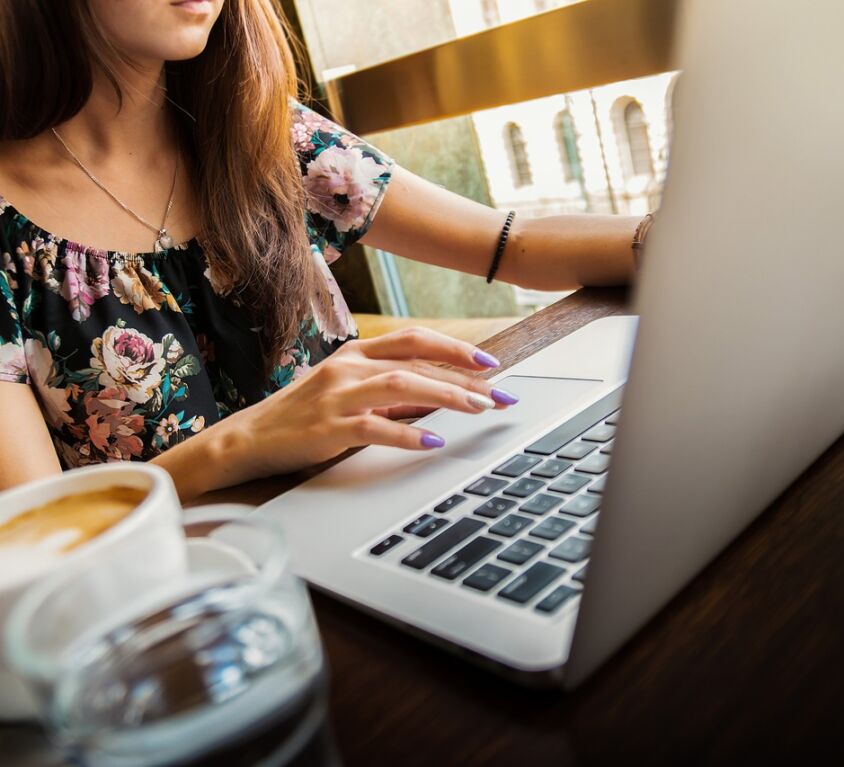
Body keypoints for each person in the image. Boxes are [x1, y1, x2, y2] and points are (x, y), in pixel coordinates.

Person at [0, 0, 643, 502]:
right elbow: (37, 533)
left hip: (373, 514)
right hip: (185, 614)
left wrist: (676, 239)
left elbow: (510, 244)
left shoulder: (260, 132)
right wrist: (244, 443)